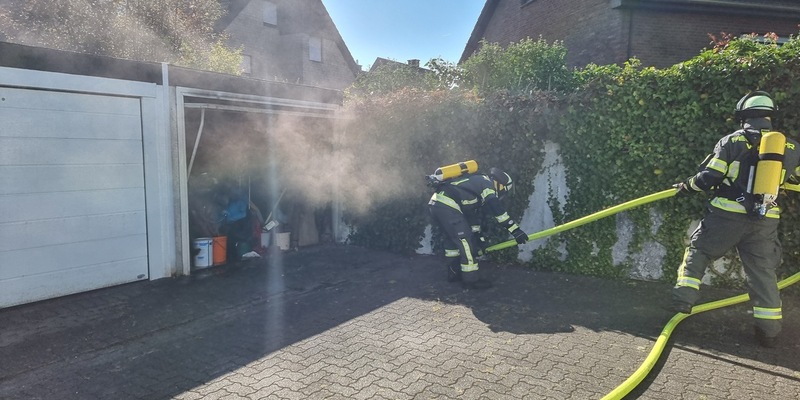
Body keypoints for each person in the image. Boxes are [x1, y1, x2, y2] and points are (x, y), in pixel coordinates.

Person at [671, 90, 800, 348]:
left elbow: (710, 177)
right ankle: (769, 332)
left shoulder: (733, 141)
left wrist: (686, 186)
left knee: (699, 249)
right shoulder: (792, 146)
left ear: (744, 116)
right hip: (765, 219)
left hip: (728, 214)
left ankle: (683, 299)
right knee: (763, 273)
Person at [428, 166, 528, 289]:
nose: (502, 194)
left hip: (436, 203)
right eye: (504, 191)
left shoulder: (476, 181)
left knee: (452, 240)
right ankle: (471, 281)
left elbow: (470, 215)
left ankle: (453, 273)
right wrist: (515, 230)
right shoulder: (488, 186)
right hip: (447, 205)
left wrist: (477, 235)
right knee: (465, 241)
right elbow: (497, 209)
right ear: (500, 185)